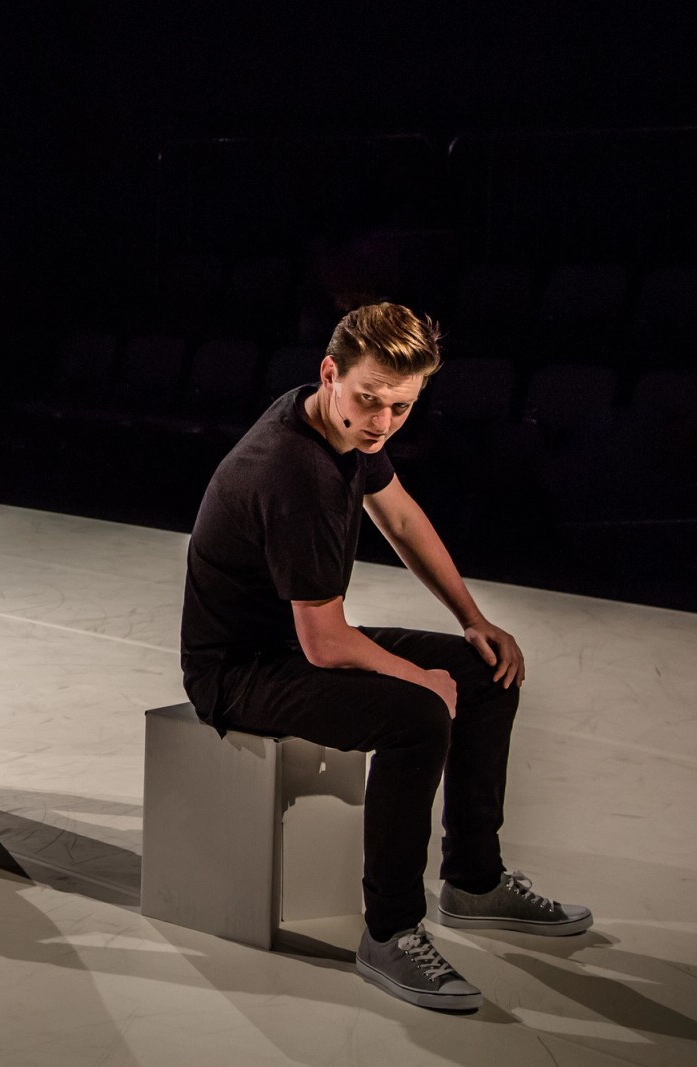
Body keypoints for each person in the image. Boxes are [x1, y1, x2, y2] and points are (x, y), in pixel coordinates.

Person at [179, 302, 592, 1012]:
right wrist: (419, 678)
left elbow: (399, 514)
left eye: (401, 407)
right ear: (329, 373)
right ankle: (391, 931)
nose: (382, 422)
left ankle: (473, 880)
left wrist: (473, 621)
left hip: (292, 642)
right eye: (371, 400)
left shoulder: (339, 420)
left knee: (487, 673)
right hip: (240, 670)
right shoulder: (295, 471)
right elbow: (324, 641)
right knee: (418, 717)